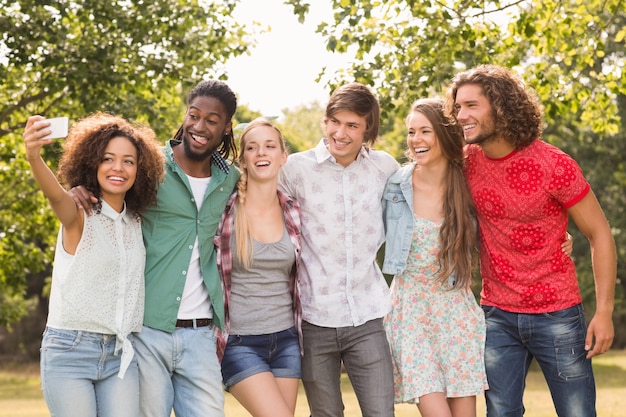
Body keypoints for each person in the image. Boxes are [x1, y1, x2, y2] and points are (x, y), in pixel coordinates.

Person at [444, 64, 616, 417]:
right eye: (458, 107)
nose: (461, 115)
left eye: (472, 106)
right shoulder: (465, 162)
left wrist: (604, 311)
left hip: (558, 313)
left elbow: (599, 233)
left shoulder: (554, 164)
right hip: (496, 314)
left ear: (502, 107)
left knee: (577, 412)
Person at [70, 80, 241, 417]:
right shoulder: (151, 166)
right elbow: (110, 181)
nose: (199, 126)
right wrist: (76, 190)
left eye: (212, 120)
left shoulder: (230, 180)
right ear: (185, 114)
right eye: (194, 115)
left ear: (226, 127)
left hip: (202, 334)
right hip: (148, 329)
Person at [23, 112, 165, 417]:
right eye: (108, 158)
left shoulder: (137, 221)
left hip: (120, 354)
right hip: (70, 351)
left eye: (129, 161)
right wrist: (34, 157)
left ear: (140, 170)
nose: (118, 167)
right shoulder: (77, 213)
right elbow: (54, 196)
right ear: (92, 164)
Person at [278, 82, 399, 417]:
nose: (340, 133)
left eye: (352, 125)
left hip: (369, 314)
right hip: (314, 317)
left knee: (381, 412)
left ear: (367, 130)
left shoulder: (384, 168)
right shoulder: (295, 170)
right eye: (335, 121)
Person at [382, 98, 488, 417]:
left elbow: (504, 224)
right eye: (411, 132)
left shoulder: (469, 183)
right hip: (410, 310)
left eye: (425, 131)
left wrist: (558, 239)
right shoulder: (395, 186)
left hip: (456, 311)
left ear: (443, 135)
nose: (416, 140)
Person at [214, 118, 302, 417]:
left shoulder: (294, 210)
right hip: (239, 341)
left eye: (269, 146)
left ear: (283, 156)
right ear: (242, 159)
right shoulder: (224, 210)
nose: (261, 153)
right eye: (252, 147)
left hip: (287, 338)